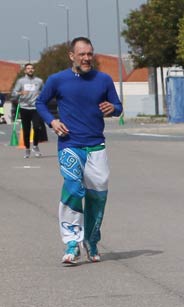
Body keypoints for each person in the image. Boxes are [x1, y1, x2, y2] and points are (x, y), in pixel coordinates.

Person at [35, 37, 122, 266]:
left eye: (89, 54)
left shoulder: (103, 80)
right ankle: (72, 243)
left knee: (97, 195)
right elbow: (41, 103)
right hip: (70, 144)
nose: (86, 58)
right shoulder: (57, 80)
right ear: (71, 55)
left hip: (96, 146)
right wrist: (53, 122)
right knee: (73, 189)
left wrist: (113, 108)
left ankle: (91, 240)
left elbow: (118, 107)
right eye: (82, 54)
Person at [13, 63, 46, 158]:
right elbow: (14, 93)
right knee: (26, 130)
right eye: (28, 68)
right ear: (25, 71)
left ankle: (35, 146)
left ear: (34, 70)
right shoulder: (21, 81)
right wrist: (20, 93)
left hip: (35, 107)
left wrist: (41, 95)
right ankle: (27, 149)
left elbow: (45, 91)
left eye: (31, 68)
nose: (30, 70)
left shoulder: (39, 81)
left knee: (37, 127)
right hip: (24, 107)